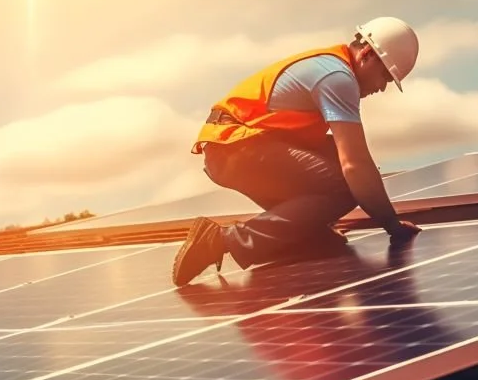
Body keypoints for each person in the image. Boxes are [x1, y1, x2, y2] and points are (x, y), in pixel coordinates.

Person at [171, 16, 424, 287]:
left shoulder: (331, 65)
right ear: (366, 55)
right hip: (234, 149)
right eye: (385, 75)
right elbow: (355, 167)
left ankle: (305, 234)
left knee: (339, 160)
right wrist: (393, 227)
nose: (382, 87)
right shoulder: (338, 78)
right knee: (349, 181)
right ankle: (221, 240)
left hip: (238, 149)